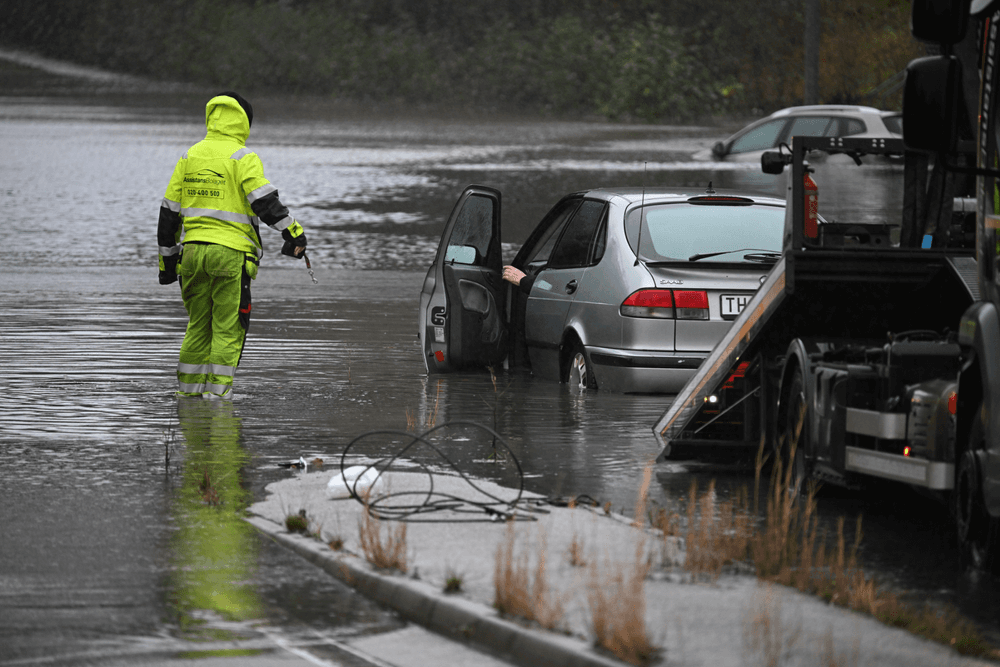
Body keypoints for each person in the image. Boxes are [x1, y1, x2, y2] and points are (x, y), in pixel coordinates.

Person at [157, 91, 308, 399]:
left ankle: (187, 400)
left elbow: (168, 215)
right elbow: (265, 203)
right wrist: (294, 234)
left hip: (193, 255)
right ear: (244, 123)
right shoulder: (243, 157)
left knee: (198, 326)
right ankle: (217, 404)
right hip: (229, 257)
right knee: (227, 330)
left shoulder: (190, 156)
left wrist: (168, 265)